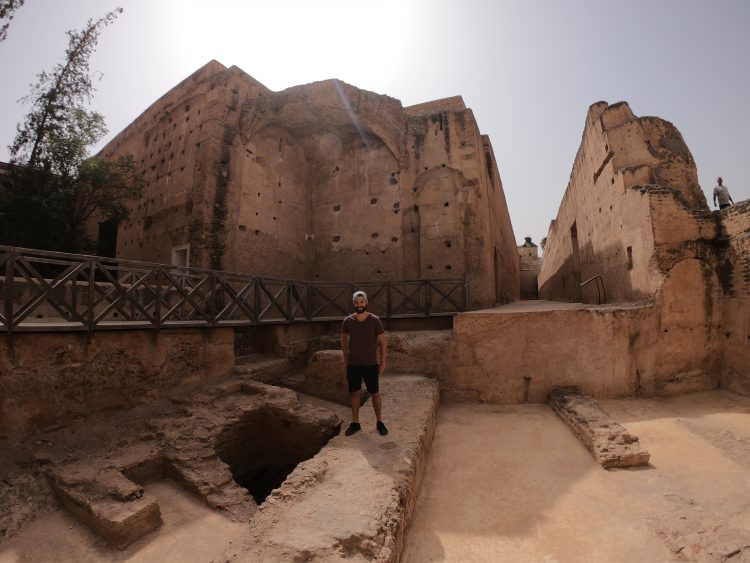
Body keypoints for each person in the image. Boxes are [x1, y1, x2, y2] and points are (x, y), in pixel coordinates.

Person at [341, 290, 388, 436]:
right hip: (353, 365)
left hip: (370, 364)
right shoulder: (348, 321)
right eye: (356, 302)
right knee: (354, 393)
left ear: (366, 302)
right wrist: (345, 358)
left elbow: (383, 342)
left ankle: (379, 421)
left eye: (362, 302)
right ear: (353, 304)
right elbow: (343, 339)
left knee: (375, 393)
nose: (359, 305)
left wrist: (383, 361)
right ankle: (355, 423)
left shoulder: (374, 320)